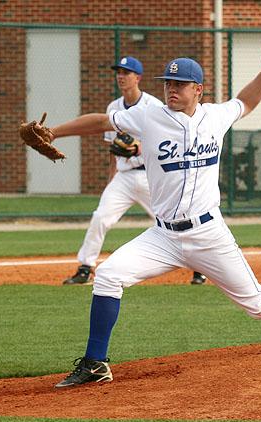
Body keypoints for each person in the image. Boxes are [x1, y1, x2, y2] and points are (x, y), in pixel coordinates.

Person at [46, 37, 261, 388]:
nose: (171, 89)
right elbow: (101, 122)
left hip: (208, 234)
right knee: (109, 275)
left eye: (180, 84)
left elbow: (246, 100)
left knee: (258, 305)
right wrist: (53, 132)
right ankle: (95, 363)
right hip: (163, 236)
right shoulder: (148, 117)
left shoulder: (215, 116)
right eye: (168, 83)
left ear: (198, 89)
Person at [62, 56, 207, 287]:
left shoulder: (153, 106)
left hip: (150, 176)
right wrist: (111, 179)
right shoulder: (113, 107)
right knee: (101, 217)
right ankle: (85, 267)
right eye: (118, 72)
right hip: (124, 176)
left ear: (137, 78)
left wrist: (138, 146)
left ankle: (200, 269)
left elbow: (165, 140)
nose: (121, 76)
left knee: (175, 222)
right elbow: (113, 149)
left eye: (126, 72)